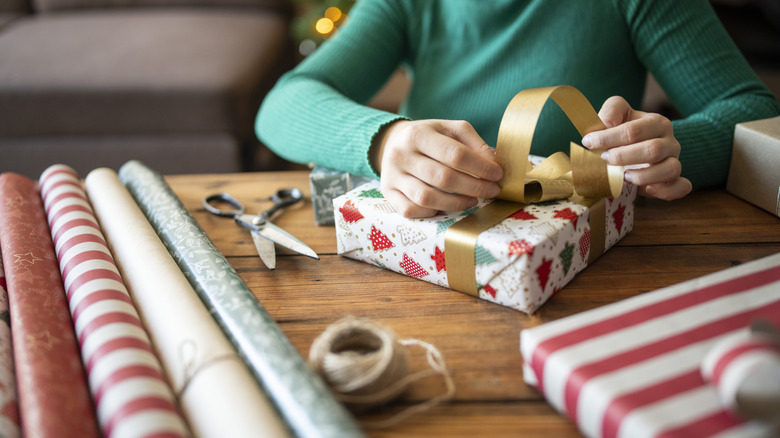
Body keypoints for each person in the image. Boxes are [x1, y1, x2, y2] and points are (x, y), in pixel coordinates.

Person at [256, 0, 780, 218]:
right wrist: (384, 140)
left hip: (600, 257)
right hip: (427, 255)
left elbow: (751, 108)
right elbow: (283, 104)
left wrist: (676, 147)